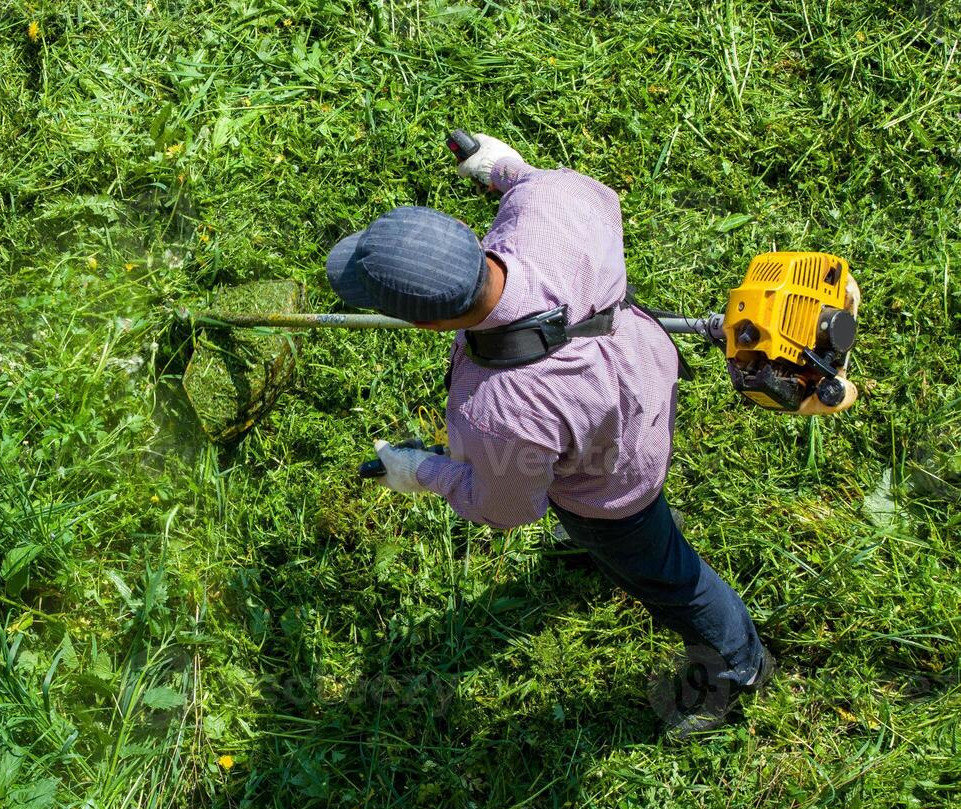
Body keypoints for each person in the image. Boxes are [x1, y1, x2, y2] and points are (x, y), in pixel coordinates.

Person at [325, 134, 809, 735]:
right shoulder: (552, 206)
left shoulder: (496, 409)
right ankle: (636, 531)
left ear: (425, 322)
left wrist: (418, 471)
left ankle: (737, 666)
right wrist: (507, 168)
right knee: (616, 493)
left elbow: (505, 507)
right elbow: (566, 190)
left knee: (667, 576)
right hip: (642, 388)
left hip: (610, 488)